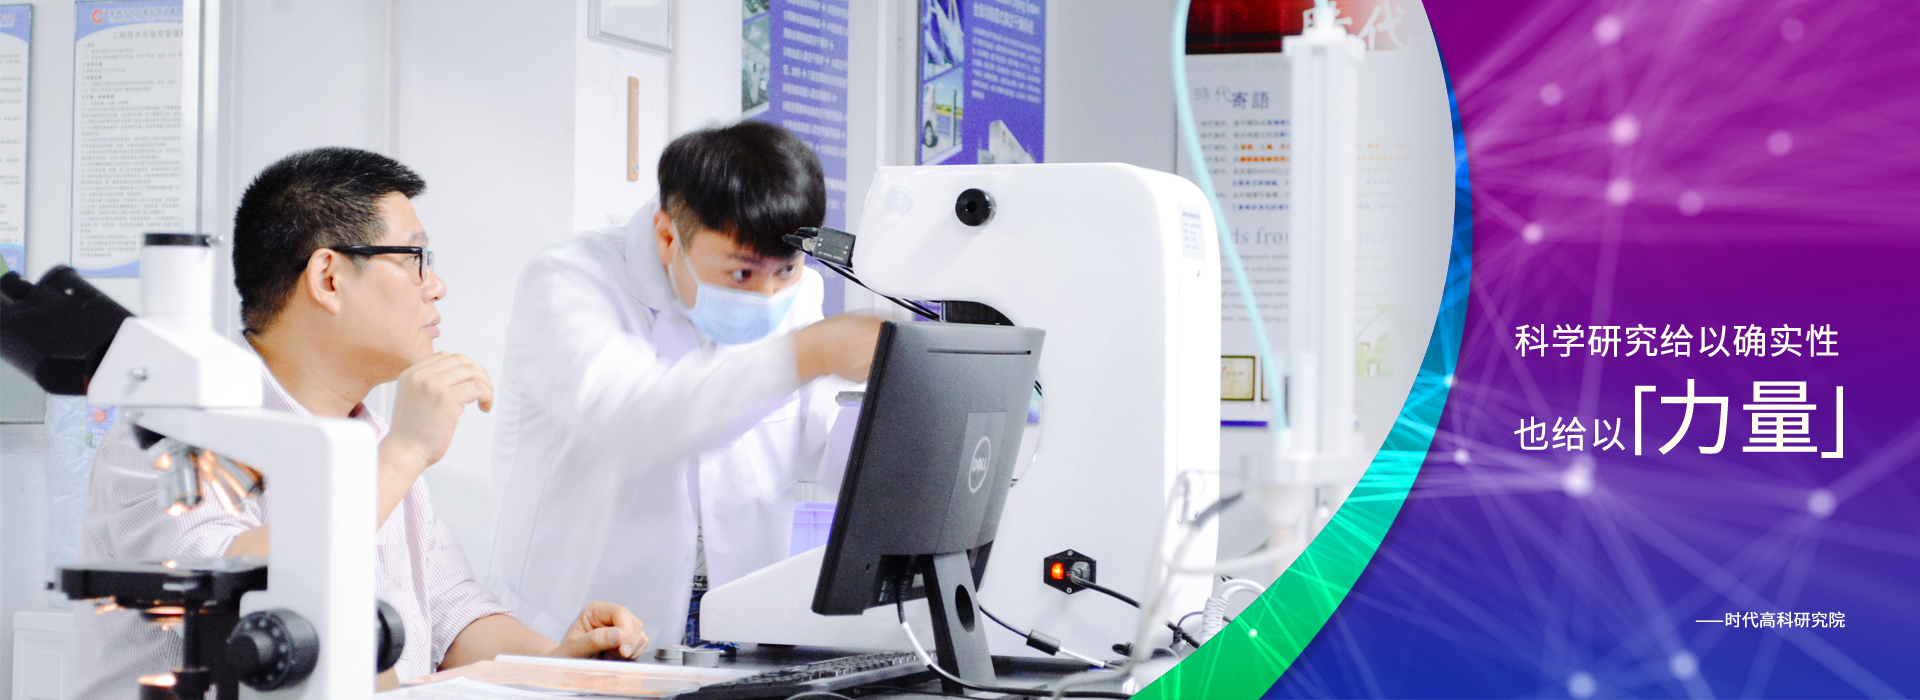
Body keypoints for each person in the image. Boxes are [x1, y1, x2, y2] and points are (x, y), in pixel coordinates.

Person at [71, 147, 648, 697]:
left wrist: (557, 662)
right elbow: (227, 588)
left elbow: (451, 613)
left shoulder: (370, 437)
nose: (436, 286)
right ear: (328, 278)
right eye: (415, 258)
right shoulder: (167, 435)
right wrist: (404, 453)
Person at [488, 122, 881, 645]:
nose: (768, 295)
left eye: (786, 271)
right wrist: (807, 354)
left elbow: (826, 434)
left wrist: (900, 412)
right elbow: (640, 417)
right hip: (576, 628)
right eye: (742, 274)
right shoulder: (567, 282)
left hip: (735, 624)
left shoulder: (795, 296)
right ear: (668, 236)